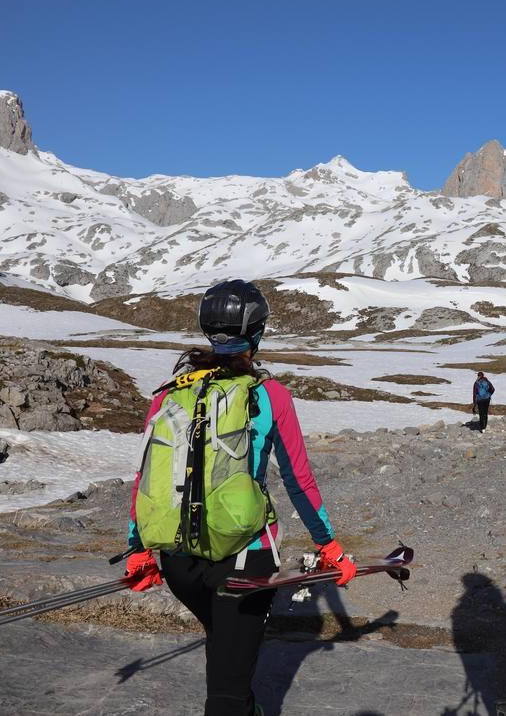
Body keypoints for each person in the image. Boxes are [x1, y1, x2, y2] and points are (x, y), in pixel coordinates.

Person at [121, 280, 358, 716]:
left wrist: (138, 549)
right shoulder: (269, 396)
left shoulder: (170, 395)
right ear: (259, 330)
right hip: (243, 562)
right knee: (227, 692)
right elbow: (297, 479)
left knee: (229, 659)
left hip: (177, 559)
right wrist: (328, 546)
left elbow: (145, 476)